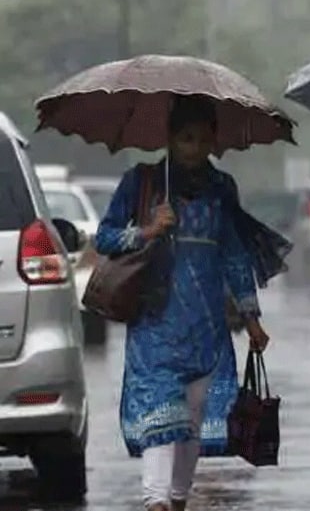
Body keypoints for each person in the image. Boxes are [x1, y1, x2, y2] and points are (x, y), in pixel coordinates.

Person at [94, 94, 290, 511]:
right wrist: (146, 230)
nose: (194, 149)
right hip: (154, 327)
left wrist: (252, 318)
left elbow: (235, 256)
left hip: (207, 331)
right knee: (162, 421)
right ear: (168, 138)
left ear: (214, 142)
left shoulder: (222, 189)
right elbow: (105, 237)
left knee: (192, 428)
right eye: (186, 139)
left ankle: (176, 501)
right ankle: (156, 502)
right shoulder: (141, 183)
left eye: (203, 140)